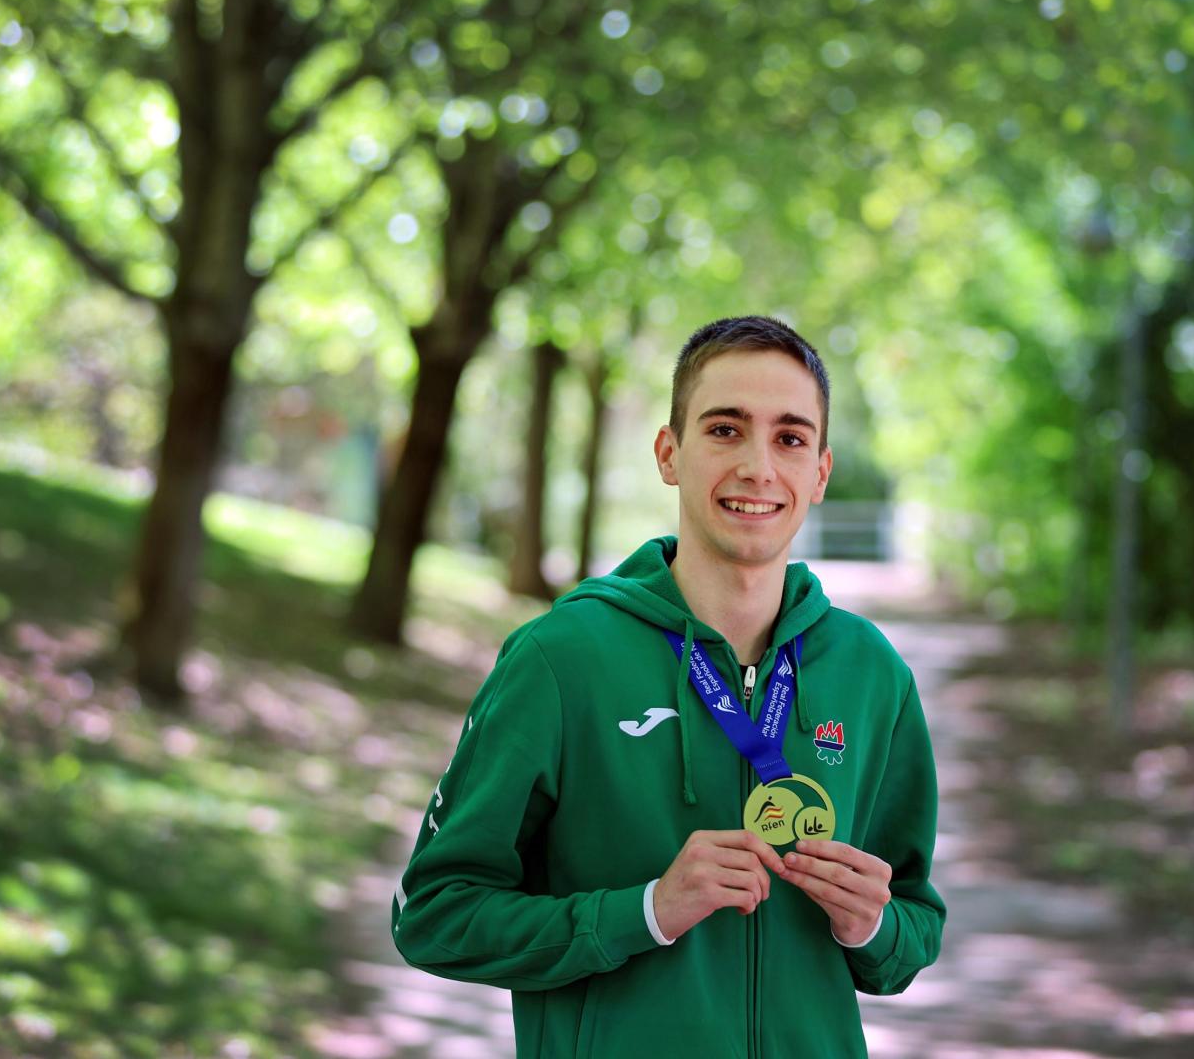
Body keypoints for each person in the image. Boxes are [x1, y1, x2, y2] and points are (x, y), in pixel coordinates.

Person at [390, 316, 945, 1058]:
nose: (758, 467)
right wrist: (644, 911)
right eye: (725, 430)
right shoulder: (561, 660)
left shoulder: (872, 672)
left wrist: (871, 926)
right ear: (669, 453)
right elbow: (432, 914)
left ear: (820, 471)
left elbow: (915, 929)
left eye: (789, 438)